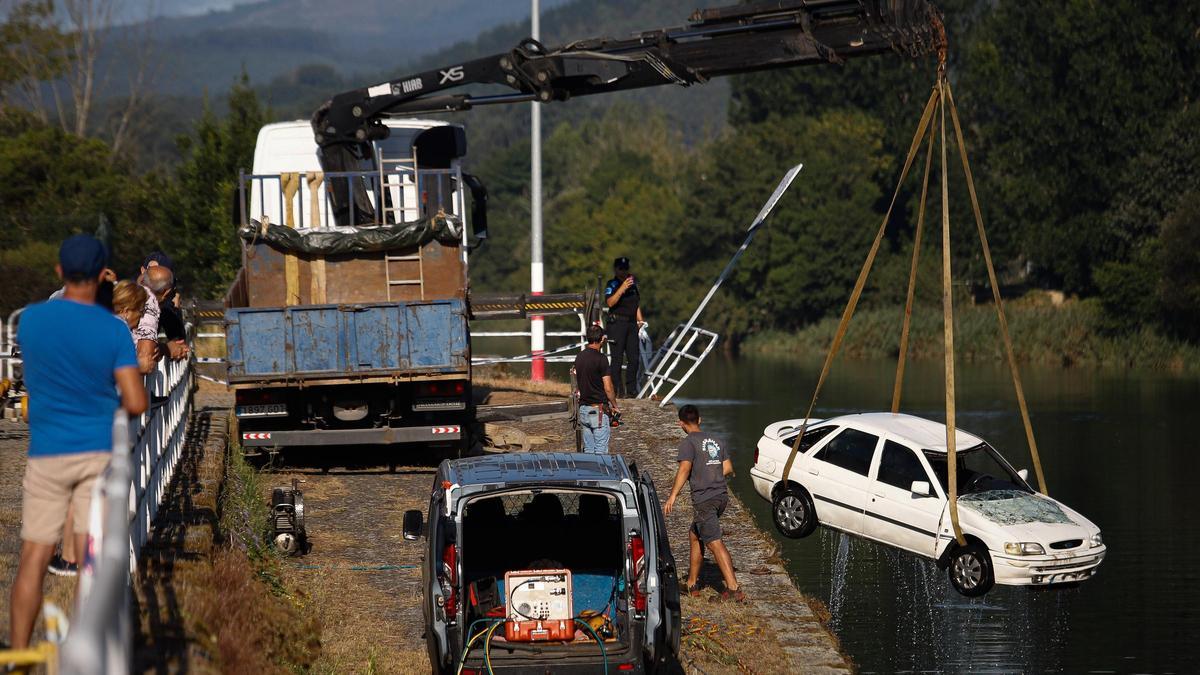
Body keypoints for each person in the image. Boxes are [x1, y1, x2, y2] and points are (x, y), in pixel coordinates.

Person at [10, 235, 148, 650]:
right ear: (104, 274)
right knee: (94, 561)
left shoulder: (31, 320)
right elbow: (136, 401)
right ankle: (89, 648)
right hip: (96, 454)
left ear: (58, 272)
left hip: (46, 453)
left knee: (33, 558)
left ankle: (17, 653)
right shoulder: (112, 329)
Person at [663, 404, 744, 602]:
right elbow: (728, 468)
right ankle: (692, 584)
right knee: (695, 534)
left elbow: (684, 469)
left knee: (713, 542)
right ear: (699, 420)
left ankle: (734, 589)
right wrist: (711, 474)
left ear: (681, 424)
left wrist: (673, 495)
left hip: (705, 499)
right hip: (721, 496)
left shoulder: (688, 443)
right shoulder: (717, 440)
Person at [573, 324, 619, 453]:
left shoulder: (579, 357)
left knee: (588, 449)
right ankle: (601, 473)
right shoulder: (601, 359)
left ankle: (589, 473)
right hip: (597, 410)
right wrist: (615, 405)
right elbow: (608, 388)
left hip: (583, 409)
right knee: (600, 450)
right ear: (602, 339)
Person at [603, 256, 644, 398]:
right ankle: (618, 391)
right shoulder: (612, 284)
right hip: (617, 324)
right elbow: (610, 303)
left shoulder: (633, 285)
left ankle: (631, 390)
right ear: (616, 269)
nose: (624, 271)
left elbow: (636, 304)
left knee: (634, 358)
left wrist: (640, 320)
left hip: (632, 324)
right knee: (617, 359)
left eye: (626, 268)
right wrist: (621, 288)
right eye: (621, 268)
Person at [141, 265, 189, 359]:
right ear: (167, 292)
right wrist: (166, 349)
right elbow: (145, 358)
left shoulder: (129, 297)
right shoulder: (150, 309)